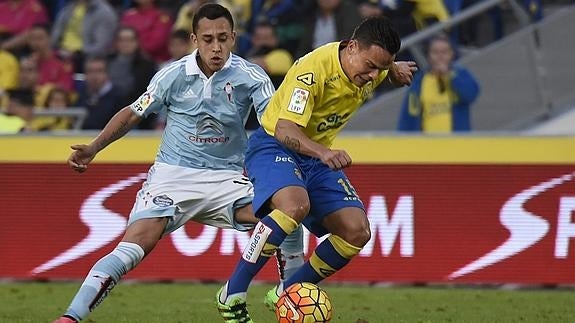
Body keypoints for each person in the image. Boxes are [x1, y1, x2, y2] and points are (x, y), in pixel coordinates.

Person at [52, 4, 302, 323]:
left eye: (223, 38)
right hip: (172, 178)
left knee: (286, 212)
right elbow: (133, 113)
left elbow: (276, 123)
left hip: (226, 179)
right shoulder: (173, 75)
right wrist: (94, 147)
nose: (216, 46)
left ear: (234, 38)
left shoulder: (251, 76)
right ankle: (71, 317)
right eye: (208, 39)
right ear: (194, 39)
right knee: (136, 244)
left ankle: (290, 294)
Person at [216, 15, 417, 322]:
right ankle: (233, 291)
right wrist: (323, 152)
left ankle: (290, 290)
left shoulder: (371, 66)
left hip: (315, 156)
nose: (373, 75)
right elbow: (285, 129)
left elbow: (380, 65)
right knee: (294, 205)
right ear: (350, 48)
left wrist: (394, 68)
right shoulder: (312, 72)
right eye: (370, 66)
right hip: (275, 145)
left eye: (381, 67)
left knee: (356, 231)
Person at [397, 33, 479, 133]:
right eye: (435, 52)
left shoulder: (460, 75)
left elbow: (470, 95)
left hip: (456, 144)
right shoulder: (419, 82)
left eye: (444, 52)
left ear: (451, 54)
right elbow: (409, 115)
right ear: (429, 55)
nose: (440, 57)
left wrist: (450, 76)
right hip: (428, 145)